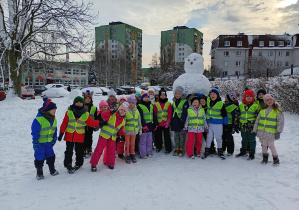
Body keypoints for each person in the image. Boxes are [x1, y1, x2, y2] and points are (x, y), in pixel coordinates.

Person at [58, 96, 101, 174]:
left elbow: (91, 123)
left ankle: (79, 163)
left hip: (80, 136)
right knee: (69, 151)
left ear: (83, 104)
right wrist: (61, 133)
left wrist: (99, 123)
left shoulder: (86, 113)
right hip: (69, 135)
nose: (79, 104)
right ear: (74, 103)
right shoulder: (69, 112)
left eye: (80, 102)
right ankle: (68, 164)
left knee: (79, 151)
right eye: (77, 102)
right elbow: (64, 123)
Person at [90, 103, 128, 171]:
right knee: (99, 149)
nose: (122, 111)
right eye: (121, 109)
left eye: (124, 111)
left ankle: (110, 163)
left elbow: (120, 130)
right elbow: (103, 114)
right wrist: (109, 112)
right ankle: (93, 164)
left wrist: (122, 135)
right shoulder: (112, 114)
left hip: (113, 137)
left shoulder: (123, 121)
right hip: (104, 135)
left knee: (111, 151)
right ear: (119, 109)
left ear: (126, 113)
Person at [31, 98, 59, 180]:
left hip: (49, 143)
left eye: (55, 109)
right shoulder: (38, 120)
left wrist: (54, 138)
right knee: (39, 157)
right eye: (52, 109)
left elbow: (55, 130)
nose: (54, 110)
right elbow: (35, 132)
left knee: (51, 156)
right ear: (47, 110)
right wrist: (35, 142)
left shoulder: (54, 119)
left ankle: (52, 169)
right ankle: (39, 172)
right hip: (40, 143)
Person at [253, 94, 284, 166]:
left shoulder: (277, 110)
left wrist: (278, 131)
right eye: (267, 100)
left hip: (271, 132)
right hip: (262, 131)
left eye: (271, 99)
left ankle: (275, 158)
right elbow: (257, 120)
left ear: (273, 100)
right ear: (265, 102)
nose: (269, 101)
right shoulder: (262, 110)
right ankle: (265, 157)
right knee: (263, 145)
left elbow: (281, 121)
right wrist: (255, 129)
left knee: (271, 145)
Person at [203, 88, 228, 159]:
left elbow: (225, 115)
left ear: (217, 95)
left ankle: (220, 151)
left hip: (218, 124)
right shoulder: (208, 100)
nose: (212, 95)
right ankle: (207, 151)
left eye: (214, 94)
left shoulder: (221, 104)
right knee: (209, 138)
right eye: (211, 94)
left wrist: (225, 125)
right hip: (209, 124)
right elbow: (201, 96)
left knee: (218, 138)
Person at [235, 90, 259, 160]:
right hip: (243, 126)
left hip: (252, 126)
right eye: (247, 96)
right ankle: (243, 151)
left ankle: (252, 153)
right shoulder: (241, 106)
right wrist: (236, 124)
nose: (248, 98)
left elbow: (259, 117)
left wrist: (258, 126)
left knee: (252, 140)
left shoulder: (256, 106)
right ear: (244, 97)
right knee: (244, 139)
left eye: (250, 96)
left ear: (253, 97)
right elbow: (237, 115)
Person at [137, 92, 158, 158]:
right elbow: (140, 117)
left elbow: (153, 115)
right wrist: (143, 125)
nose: (146, 98)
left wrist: (156, 123)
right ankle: (143, 154)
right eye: (145, 97)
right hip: (144, 125)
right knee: (143, 140)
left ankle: (149, 152)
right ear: (142, 98)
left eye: (147, 97)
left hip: (150, 125)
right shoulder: (139, 106)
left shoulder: (151, 105)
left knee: (149, 140)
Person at [124, 95, 142, 164]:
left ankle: (132, 154)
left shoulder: (137, 111)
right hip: (127, 131)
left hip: (134, 131)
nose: (131, 104)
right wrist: (123, 130)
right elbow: (124, 121)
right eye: (129, 102)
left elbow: (139, 121)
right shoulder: (125, 110)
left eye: (133, 103)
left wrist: (140, 129)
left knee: (132, 144)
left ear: (135, 103)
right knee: (127, 143)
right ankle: (127, 154)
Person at [171, 86, 189, 156]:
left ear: (182, 94)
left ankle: (181, 149)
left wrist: (183, 119)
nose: (177, 95)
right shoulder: (174, 101)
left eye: (179, 94)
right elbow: (173, 110)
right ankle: (177, 148)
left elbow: (185, 112)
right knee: (176, 136)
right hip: (175, 120)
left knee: (181, 136)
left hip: (181, 121)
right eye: (176, 94)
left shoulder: (185, 101)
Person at [154, 88, 172, 154]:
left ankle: (168, 148)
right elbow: (155, 114)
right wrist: (155, 123)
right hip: (158, 123)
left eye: (164, 95)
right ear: (159, 96)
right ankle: (159, 147)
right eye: (161, 95)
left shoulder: (168, 103)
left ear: (166, 96)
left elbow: (169, 113)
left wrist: (168, 121)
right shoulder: (156, 104)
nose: (163, 96)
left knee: (167, 136)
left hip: (165, 123)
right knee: (158, 136)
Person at [82, 90, 98, 158]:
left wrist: (96, 125)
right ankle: (84, 148)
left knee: (89, 137)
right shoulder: (82, 107)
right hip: (83, 125)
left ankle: (89, 148)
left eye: (89, 98)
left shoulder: (94, 107)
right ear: (84, 99)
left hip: (91, 125)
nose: (88, 100)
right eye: (86, 98)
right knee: (84, 137)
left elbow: (96, 117)